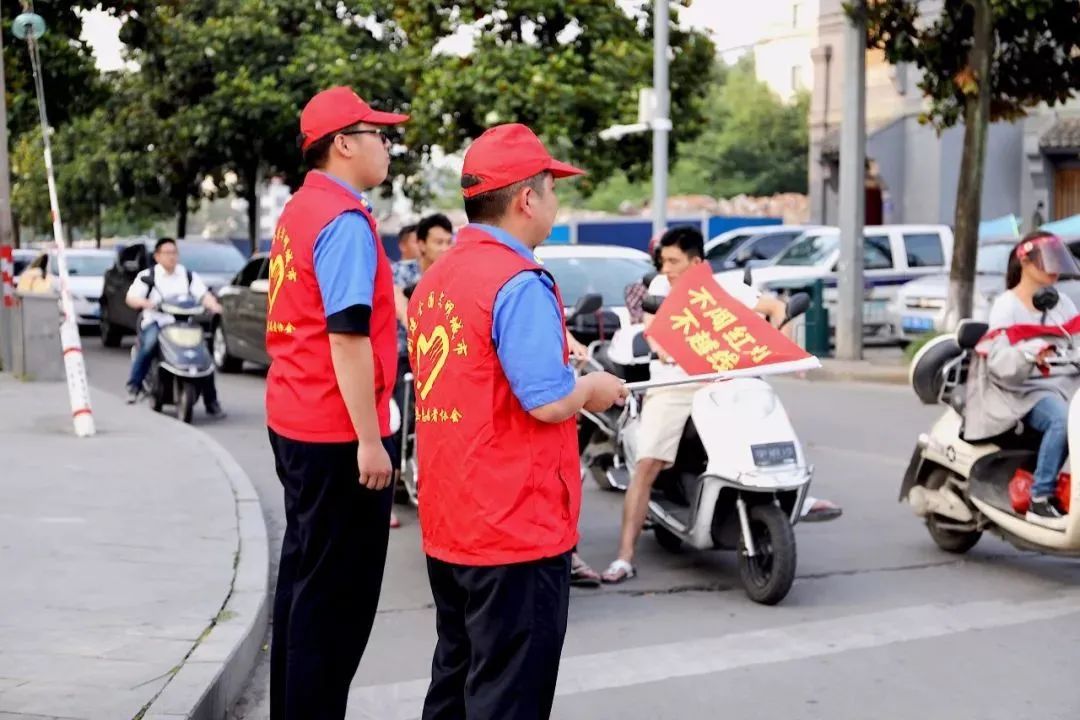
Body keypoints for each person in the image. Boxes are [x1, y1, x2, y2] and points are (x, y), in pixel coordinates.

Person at [408, 123, 627, 720]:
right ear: (527, 198)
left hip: (453, 519)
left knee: (455, 679)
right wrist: (593, 387)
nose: (556, 201)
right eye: (552, 188)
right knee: (508, 696)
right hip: (514, 529)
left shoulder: (435, 282)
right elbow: (547, 402)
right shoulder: (518, 280)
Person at [264, 86, 408, 720]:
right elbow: (347, 335)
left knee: (303, 585)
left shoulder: (301, 209)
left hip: (294, 417)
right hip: (335, 434)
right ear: (344, 144)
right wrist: (370, 441)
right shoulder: (343, 221)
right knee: (336, 605)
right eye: (377, 134)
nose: (386, 144)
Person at [601, 227, 841, 584]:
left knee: (768, 412)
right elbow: (654, 328)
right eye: (663, 261)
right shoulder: (661, 289)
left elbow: (773, 307)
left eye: (673, 261)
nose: (666, 268)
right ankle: (624, 556)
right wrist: (664, 347)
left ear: (697, 263)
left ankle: (790, 491)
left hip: (726, 381)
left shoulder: (723, 289)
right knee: (648, 463)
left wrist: (780, 335)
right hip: (674, 384)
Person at [966, 232, 1080, 529]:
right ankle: (1040, 497)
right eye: (1046, 259)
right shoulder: (1007, 305)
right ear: (1025, 262)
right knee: (1062, 420)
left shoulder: (1062, 303)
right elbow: (999, 362)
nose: (1054, 267)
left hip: (1064, 384)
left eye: (1057, 259)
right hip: (1021, 390)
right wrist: (1030, 354)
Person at [389, 214, 454, 528]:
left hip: (442, 359)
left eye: (448, 242)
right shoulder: (400, 274)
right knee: (400, 423)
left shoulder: (453, 275)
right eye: (438, 242)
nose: (444, 248)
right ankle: (386, 497)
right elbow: (398, 304)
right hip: (404, 358)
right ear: (421, 244)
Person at [124, 238, 225, 416]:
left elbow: (203, 295)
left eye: (174, 253)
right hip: (157, 323)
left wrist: (214, 306)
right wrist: (146, 303)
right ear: (157, 256)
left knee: (203, 356)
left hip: (185, 325)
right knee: (149, 345)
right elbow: (131, 298)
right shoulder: (148, 276)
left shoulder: (187, 275)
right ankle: (134, 386)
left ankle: (212, 402)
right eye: (167, 253)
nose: (172, 257)